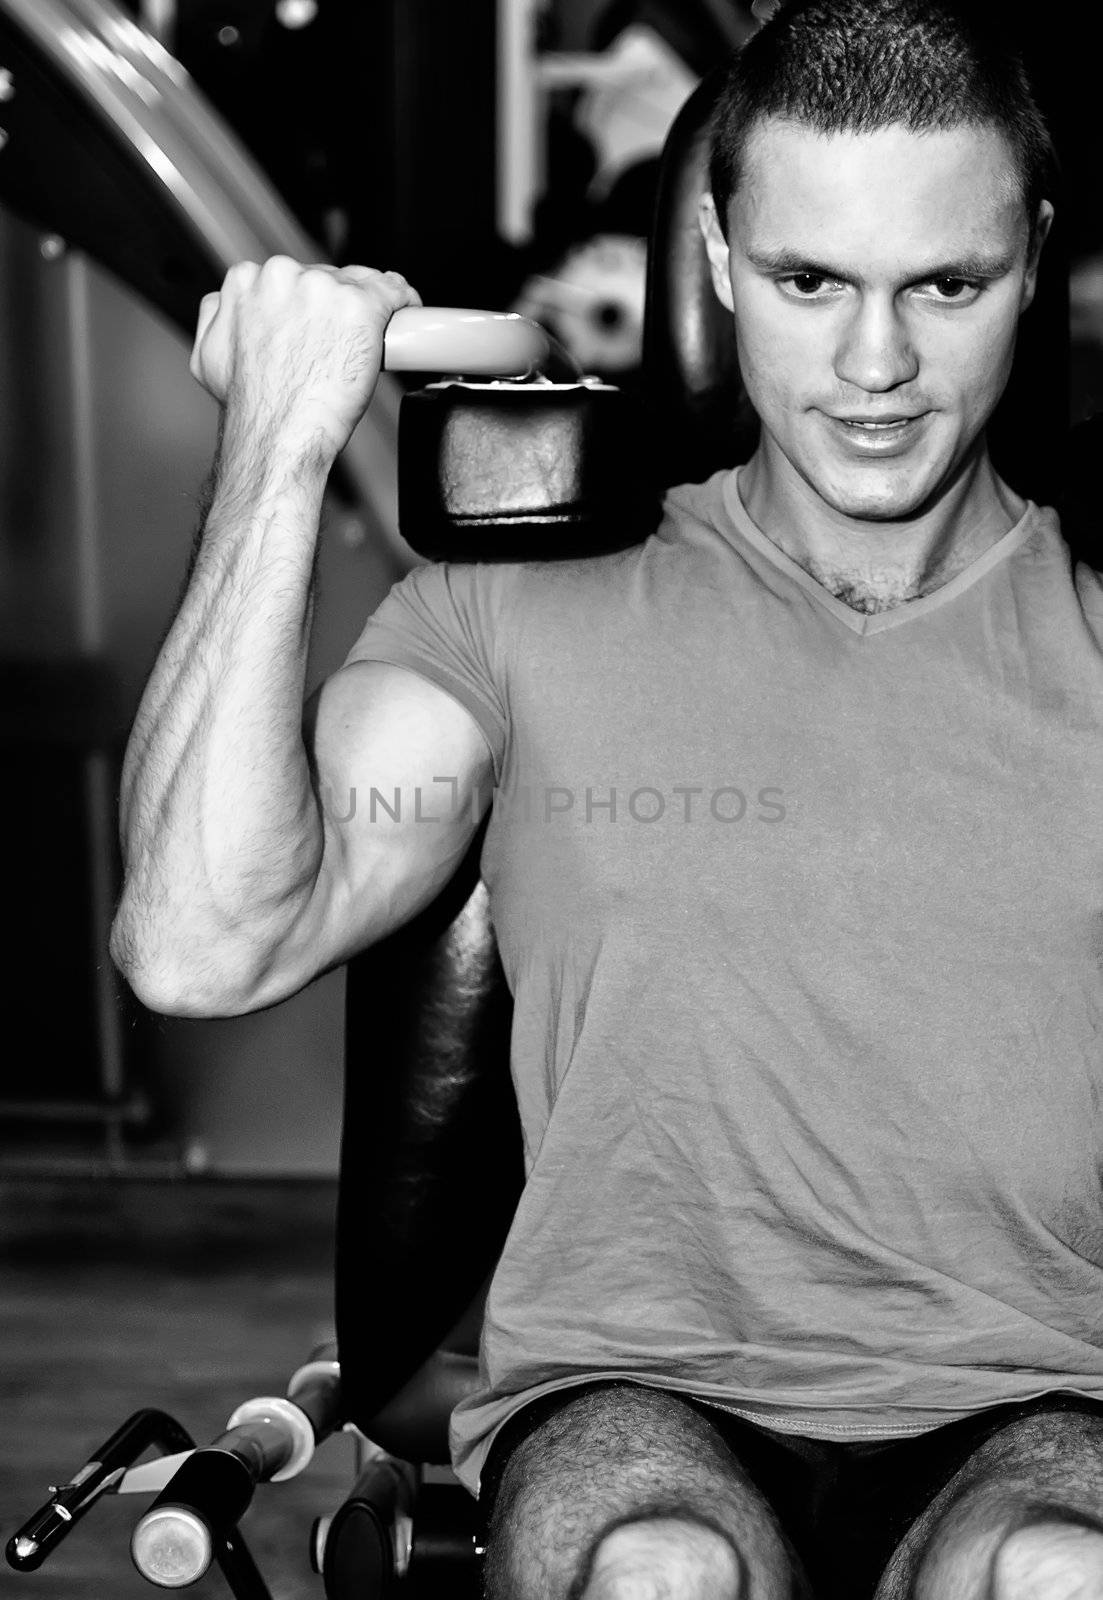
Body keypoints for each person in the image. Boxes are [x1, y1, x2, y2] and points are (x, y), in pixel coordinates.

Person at [110, 1, 1103, 1595]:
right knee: (658, 1574)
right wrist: (282, 448)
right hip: (641, 1389)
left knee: (1062, 1571)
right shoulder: (515, 613)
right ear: (715, 258)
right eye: (807, 283)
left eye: (946, 285)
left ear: (1033, 261)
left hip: (1053, 1392)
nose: (875, 364)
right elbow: (198, 944)